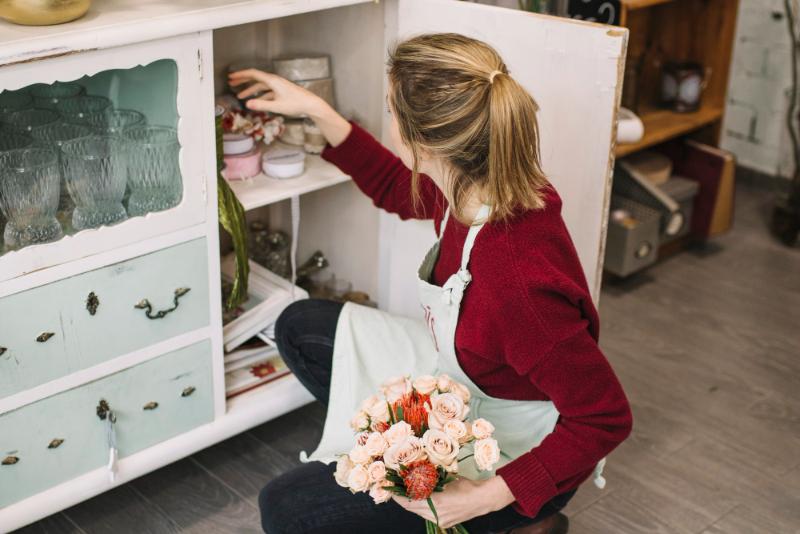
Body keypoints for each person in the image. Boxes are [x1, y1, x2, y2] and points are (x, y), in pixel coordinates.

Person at [229, 33, 632, 534]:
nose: (389, 121)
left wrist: (479, 498)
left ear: (421, 142)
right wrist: (316, 109)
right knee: (300, 325)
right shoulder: (478, 179)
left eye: (391, 112)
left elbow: (605, 418)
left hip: (515, 438)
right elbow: (400, 189)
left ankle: (522, 517)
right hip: (469, 379)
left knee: (287, 508)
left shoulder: (519, 285)